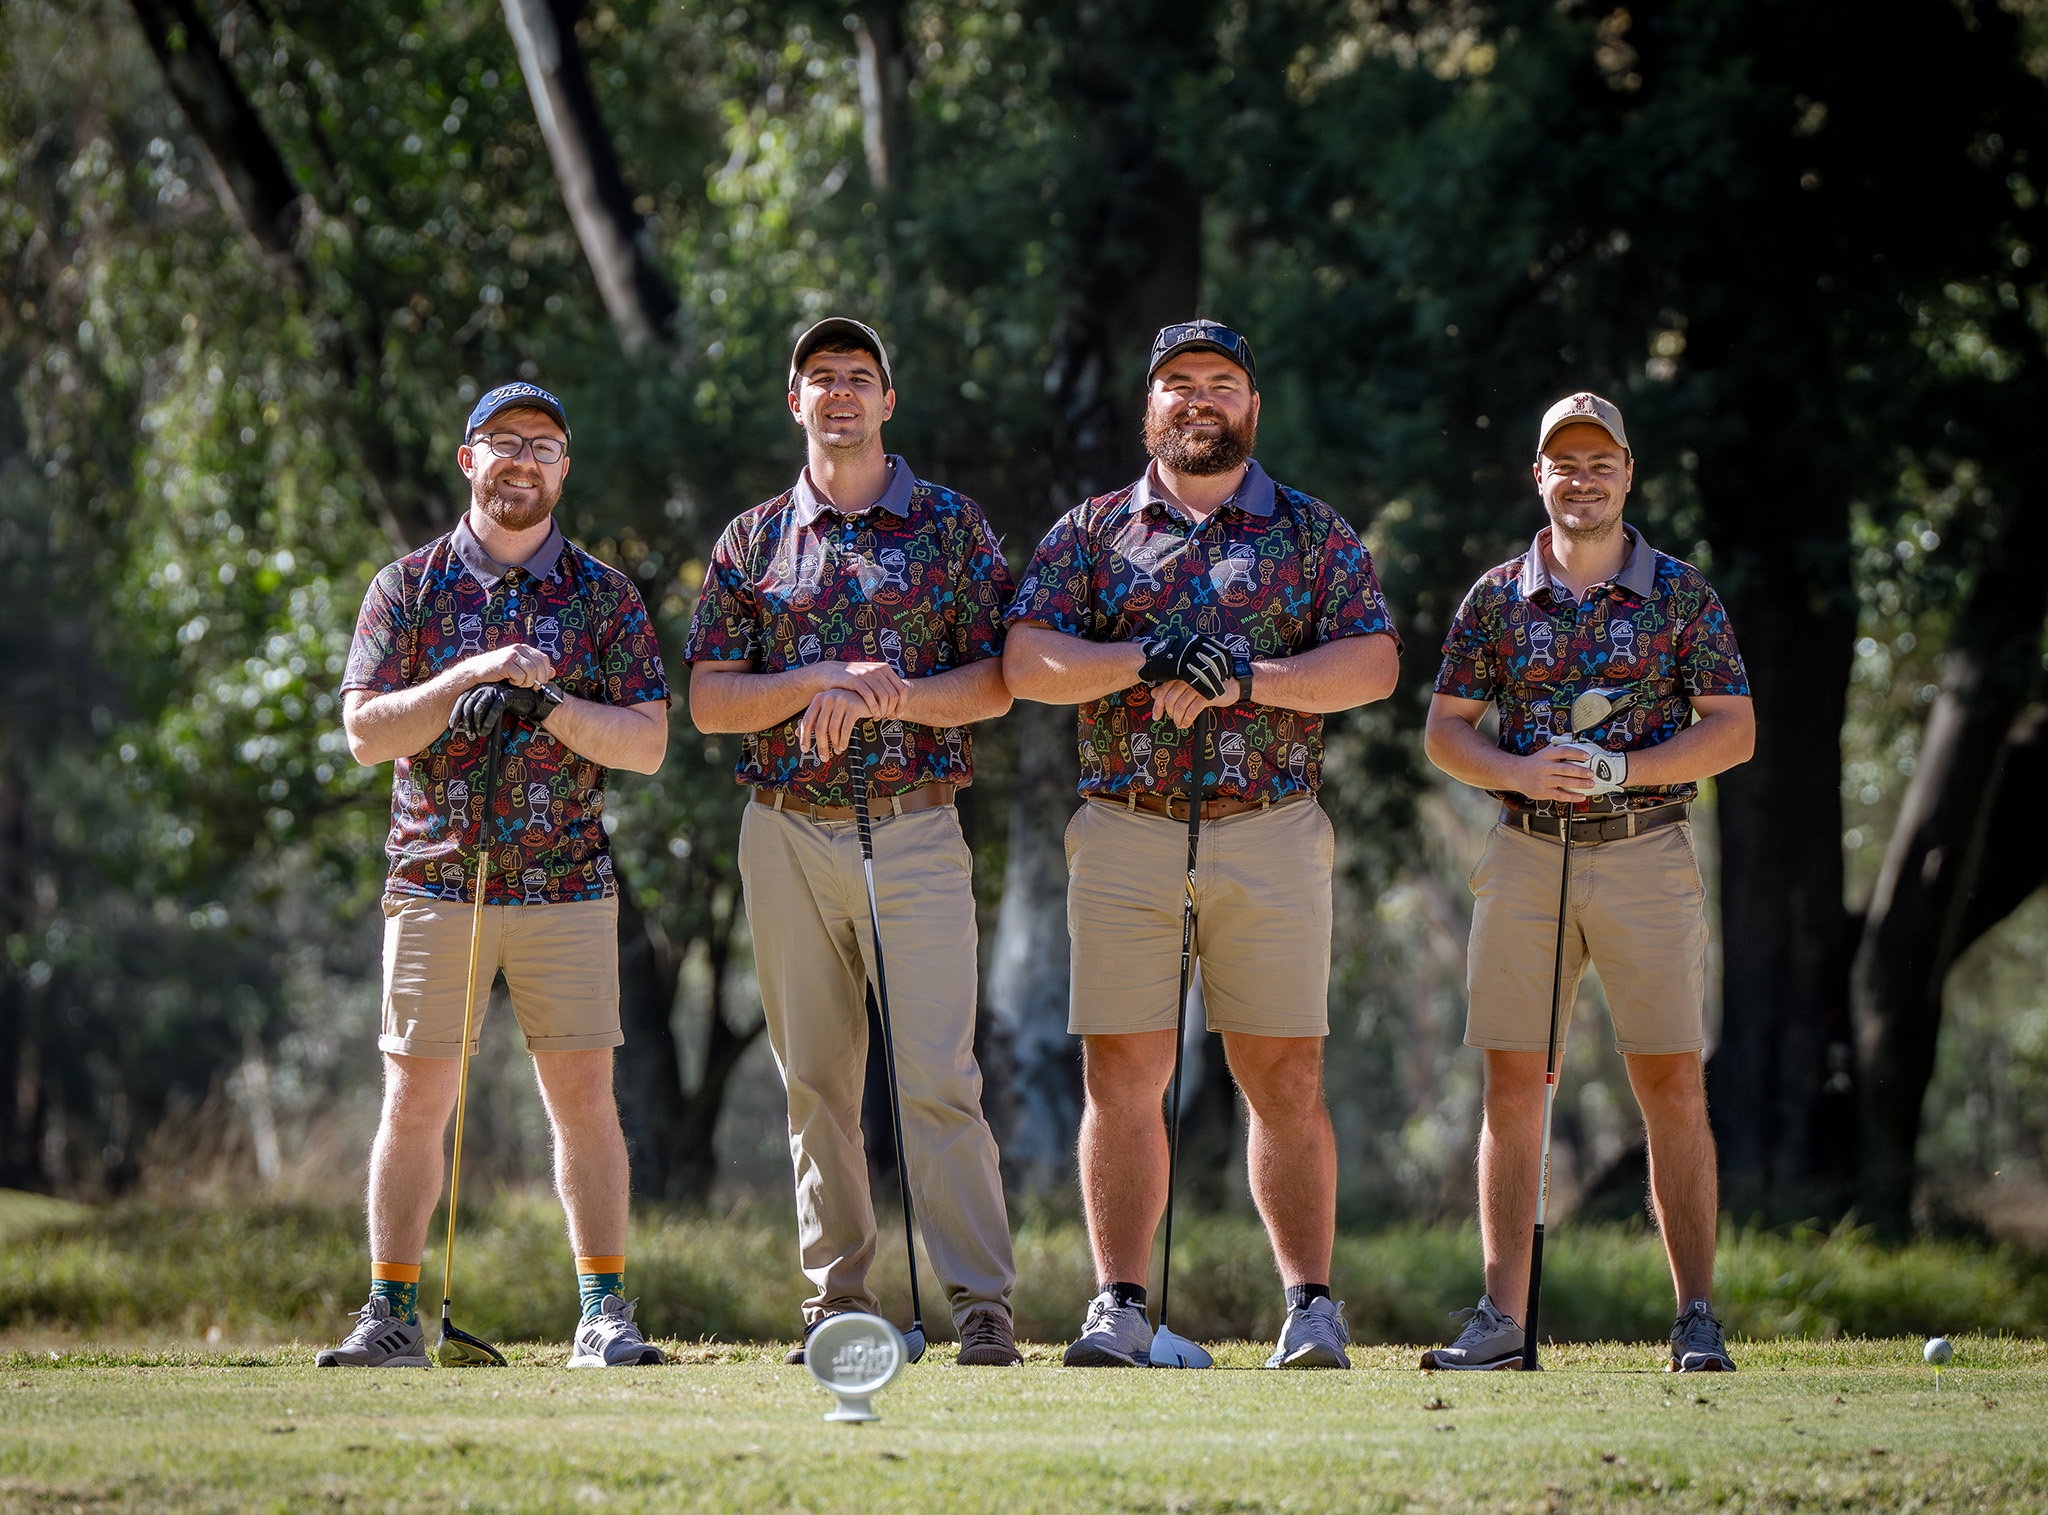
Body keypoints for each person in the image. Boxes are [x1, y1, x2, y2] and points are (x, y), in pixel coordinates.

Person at [1004, 320, 1401, 1369]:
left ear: (1250, 408)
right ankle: (1121, 1306)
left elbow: (1370, 665)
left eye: (1219, 384)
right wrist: (1140, 656)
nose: (1197, 400)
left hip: (1266, 826)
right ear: (1148, 410)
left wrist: (1248, 674)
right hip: (1126, 829)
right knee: (1121, 1072)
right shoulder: (1089, 532)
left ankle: (1309, 1307)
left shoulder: (1313, 534)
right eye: (1176, 385)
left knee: (1284, 1075)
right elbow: (1025, 660)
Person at [684, 318, 1023, 1367]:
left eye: (858, 377)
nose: (839, 393)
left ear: (887, 402)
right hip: (783, 834)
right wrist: (818, 683)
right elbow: (707, 702)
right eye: (819, 378)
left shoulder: (953, 527)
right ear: (794, 404)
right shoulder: (748, 542)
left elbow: (1002, 681)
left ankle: (980, 1309)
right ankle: (836, 1302)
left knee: (934, 1077)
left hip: (916, 828)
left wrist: (897, 702)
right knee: (816, 1084)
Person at [322, 382, 671, 1370]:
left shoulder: (603, 596)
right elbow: (363, 732)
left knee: (583, 1104)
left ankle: (601, 1313)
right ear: (467, 459)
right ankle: (390, 1315)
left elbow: (645, 744)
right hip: (437, 880)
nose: (524, 459)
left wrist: (547, 702)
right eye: (503, 442)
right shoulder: (409, 587)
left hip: (565, 881)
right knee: (416, 1102)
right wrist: (463, 684)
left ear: (564, 469)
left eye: (545, 446)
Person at [1420, 391, 1755, 1373]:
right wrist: (1519, 772)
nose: (1580, 476)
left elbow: (1731, 730)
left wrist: (1619, 768)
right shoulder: (1494, 597)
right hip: (1524, 852)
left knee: (1668, 1083)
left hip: (1644, 848)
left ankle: (1694, 1316)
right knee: (1512, 1087)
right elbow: (1444, 731)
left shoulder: (1680, 595)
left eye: (1597, 460)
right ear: (1538, 476)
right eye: (1561, 462)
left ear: (1627, 472)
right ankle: (1501, 1322)